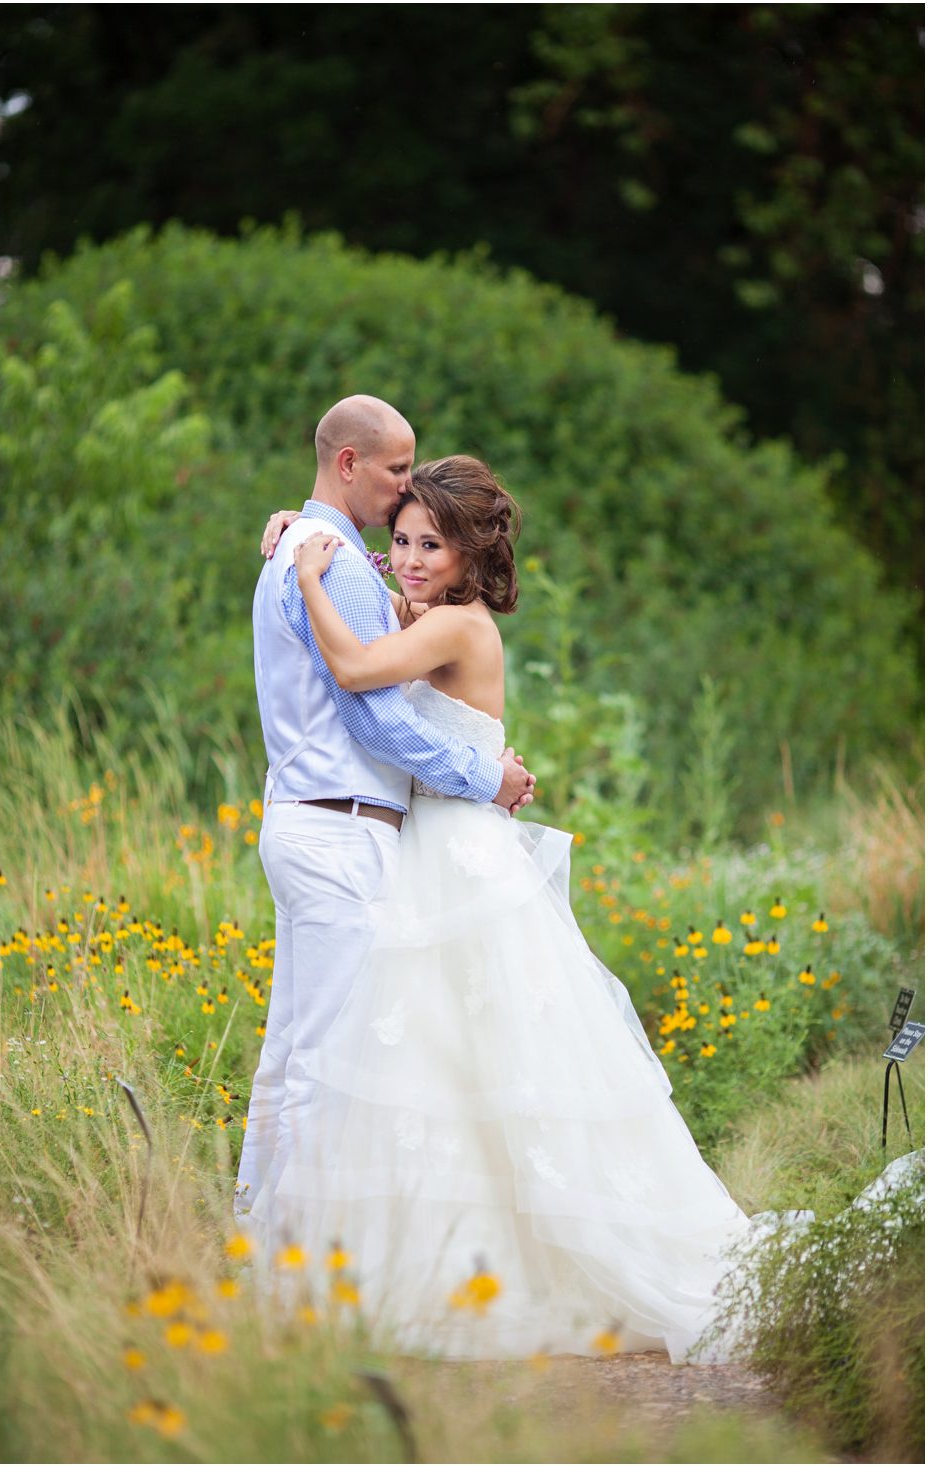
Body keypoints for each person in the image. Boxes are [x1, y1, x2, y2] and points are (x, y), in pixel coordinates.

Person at [246, 455, 752, 1364]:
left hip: (458, 858)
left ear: (470, 555)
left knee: (494, 1060)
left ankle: (527, 1266)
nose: (405, 558)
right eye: (399, 539)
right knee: (442, 1063)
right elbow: (378, 613)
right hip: (432, 849)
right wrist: (303, 525)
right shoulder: (429, 613)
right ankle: (443, 1260)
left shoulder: (458, 629)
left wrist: (310, 573)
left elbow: (357, 666)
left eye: (428, 545)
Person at [236, 398, 535, 1224]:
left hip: (310, 821)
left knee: (298, 1052)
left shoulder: (315, 552)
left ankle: (261, 1239)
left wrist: (302, 539)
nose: (407, 483)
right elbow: (373, 709)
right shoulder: (325, 560)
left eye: (426, 540)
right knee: (331, 1060)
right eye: (398, 469)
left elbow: (381, 640)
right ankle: (293, 1259)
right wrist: (486, 774)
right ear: (349, 465)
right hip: (341, 830)